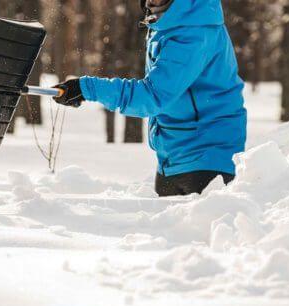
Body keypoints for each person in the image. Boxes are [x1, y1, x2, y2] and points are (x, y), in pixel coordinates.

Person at [54, 0, 247, 197]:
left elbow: (153, 96)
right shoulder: (167, 21)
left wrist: (88, 89)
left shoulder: (193, 30)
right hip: (174, 156)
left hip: (207, 157)